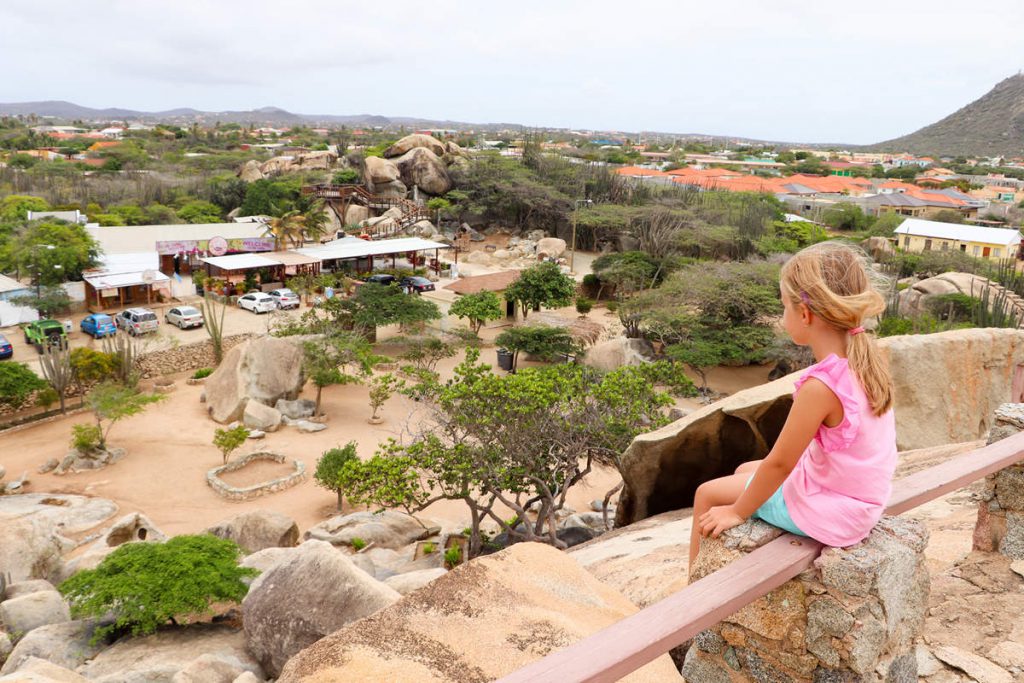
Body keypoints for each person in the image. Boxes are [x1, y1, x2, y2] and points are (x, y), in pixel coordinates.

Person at [689, 241, 896, 568]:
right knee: (745, 471)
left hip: (835, 512)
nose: (783, 316)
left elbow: (780, 464)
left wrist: (736, 511)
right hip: (858, 500)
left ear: (804, 313)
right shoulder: (865, 361)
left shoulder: (821, 386)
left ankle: (694, 598)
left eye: (784, 306)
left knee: (709, 494)